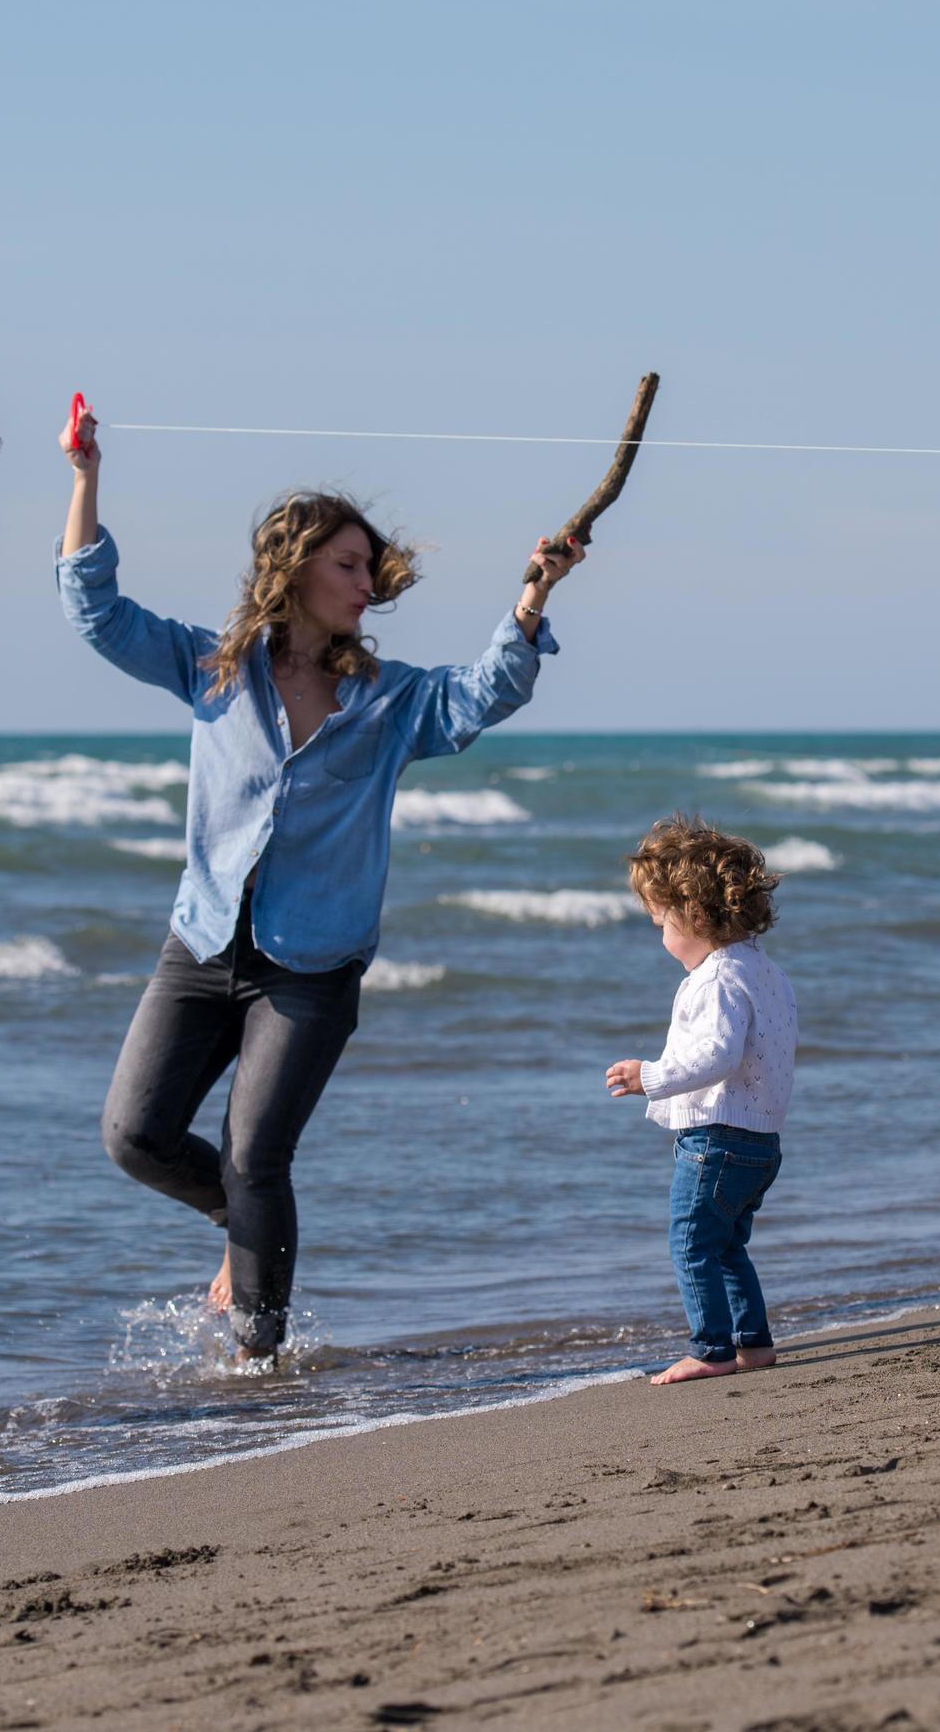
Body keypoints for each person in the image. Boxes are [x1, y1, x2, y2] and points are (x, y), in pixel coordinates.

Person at [55, 403, 584, 1360]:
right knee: (133, 1134)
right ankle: (246, 1227)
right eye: (348, 566)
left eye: (369, 568)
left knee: (259, 1155)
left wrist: (532, 596)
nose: (366, 585)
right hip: (205, 942)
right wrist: (85, 474)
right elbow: (94, 611)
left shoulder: (387, 702)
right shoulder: (216, 671)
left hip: (314, 966)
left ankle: (259, 1363)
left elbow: (484, 695)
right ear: (294, 569)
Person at [603, 815, 798, 1385]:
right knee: (728, 1246)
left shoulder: (717, 979)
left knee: (691, 1244)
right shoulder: (765, 972)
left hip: (718, 1140)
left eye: (661, 921)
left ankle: (711, 1348)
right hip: (761, 1140)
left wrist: (652, 1076)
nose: (660, 934)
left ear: (695, 915)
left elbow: (717, 1054)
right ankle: (752, 1343)